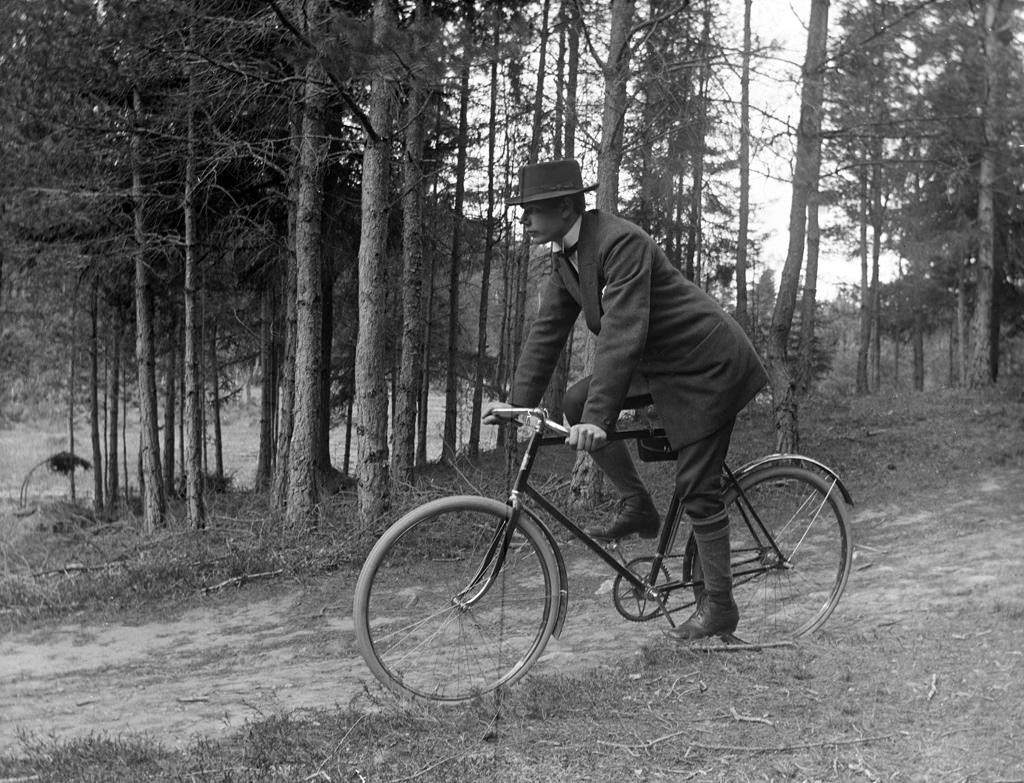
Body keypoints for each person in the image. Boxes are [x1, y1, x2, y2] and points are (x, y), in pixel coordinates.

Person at [484, 159, 768, 641]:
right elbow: (546, 333)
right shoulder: (568, 260)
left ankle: (720, 607)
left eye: (532, 209)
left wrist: (600, 419)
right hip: (665, 365)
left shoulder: (621, 243)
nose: (525, 219)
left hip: (708, 363)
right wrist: (516, 404)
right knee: (576, 401)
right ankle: (638, 504)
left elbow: (622, 332)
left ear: (566, 207)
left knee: (697, 486)